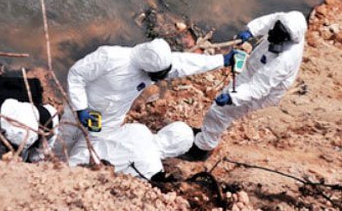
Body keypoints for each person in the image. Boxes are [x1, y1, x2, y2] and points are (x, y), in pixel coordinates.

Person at [55, 38, 236, 160]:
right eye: (155, 76)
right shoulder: (110, 57)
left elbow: (187, 64)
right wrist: (81, 108)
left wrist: (222, 60)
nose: (157, 79)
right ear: (144, 65)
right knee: (62, 141)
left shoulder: (157, 66)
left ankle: (69, 173)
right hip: (81, 109)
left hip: (109, 121)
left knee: (90, 152)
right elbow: (77, 74)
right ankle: (41, 164)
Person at [185, 11, 307, 160]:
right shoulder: (287, 21)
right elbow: (271, 19)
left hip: (262, 93)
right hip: (252, 72)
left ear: (286, 39)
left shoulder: (283, 60)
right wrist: (252, 30)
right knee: (220, 111)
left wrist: (232, 97)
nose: (272, 34)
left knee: (220, 111)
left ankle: (202, 148)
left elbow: (258, 88)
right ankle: (205, 136)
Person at [66, 121, 194, 180]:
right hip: (88, 183)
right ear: (177, 152)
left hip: (75, 160)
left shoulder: (138, 128)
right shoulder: (154, 169)